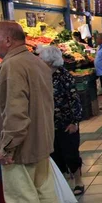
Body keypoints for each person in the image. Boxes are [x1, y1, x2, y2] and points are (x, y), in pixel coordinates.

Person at [0, 21, 65, 203]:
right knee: (44, 188)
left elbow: (15, 110)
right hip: (42, 138)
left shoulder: (12, 65)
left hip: (22, 143)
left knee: (20, 196)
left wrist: (7, 146)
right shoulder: (36, 62)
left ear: (7, 39)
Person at [38, 46, 84, 195]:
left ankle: (78, 181)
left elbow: (74, 100)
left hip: (65, 122)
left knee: (70, 153)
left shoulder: (64, 76)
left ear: (49, 61)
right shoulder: (40, 75)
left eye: (41, 59)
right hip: (48, 122)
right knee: (54, 153)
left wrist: (74, 122)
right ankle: (62, 184)